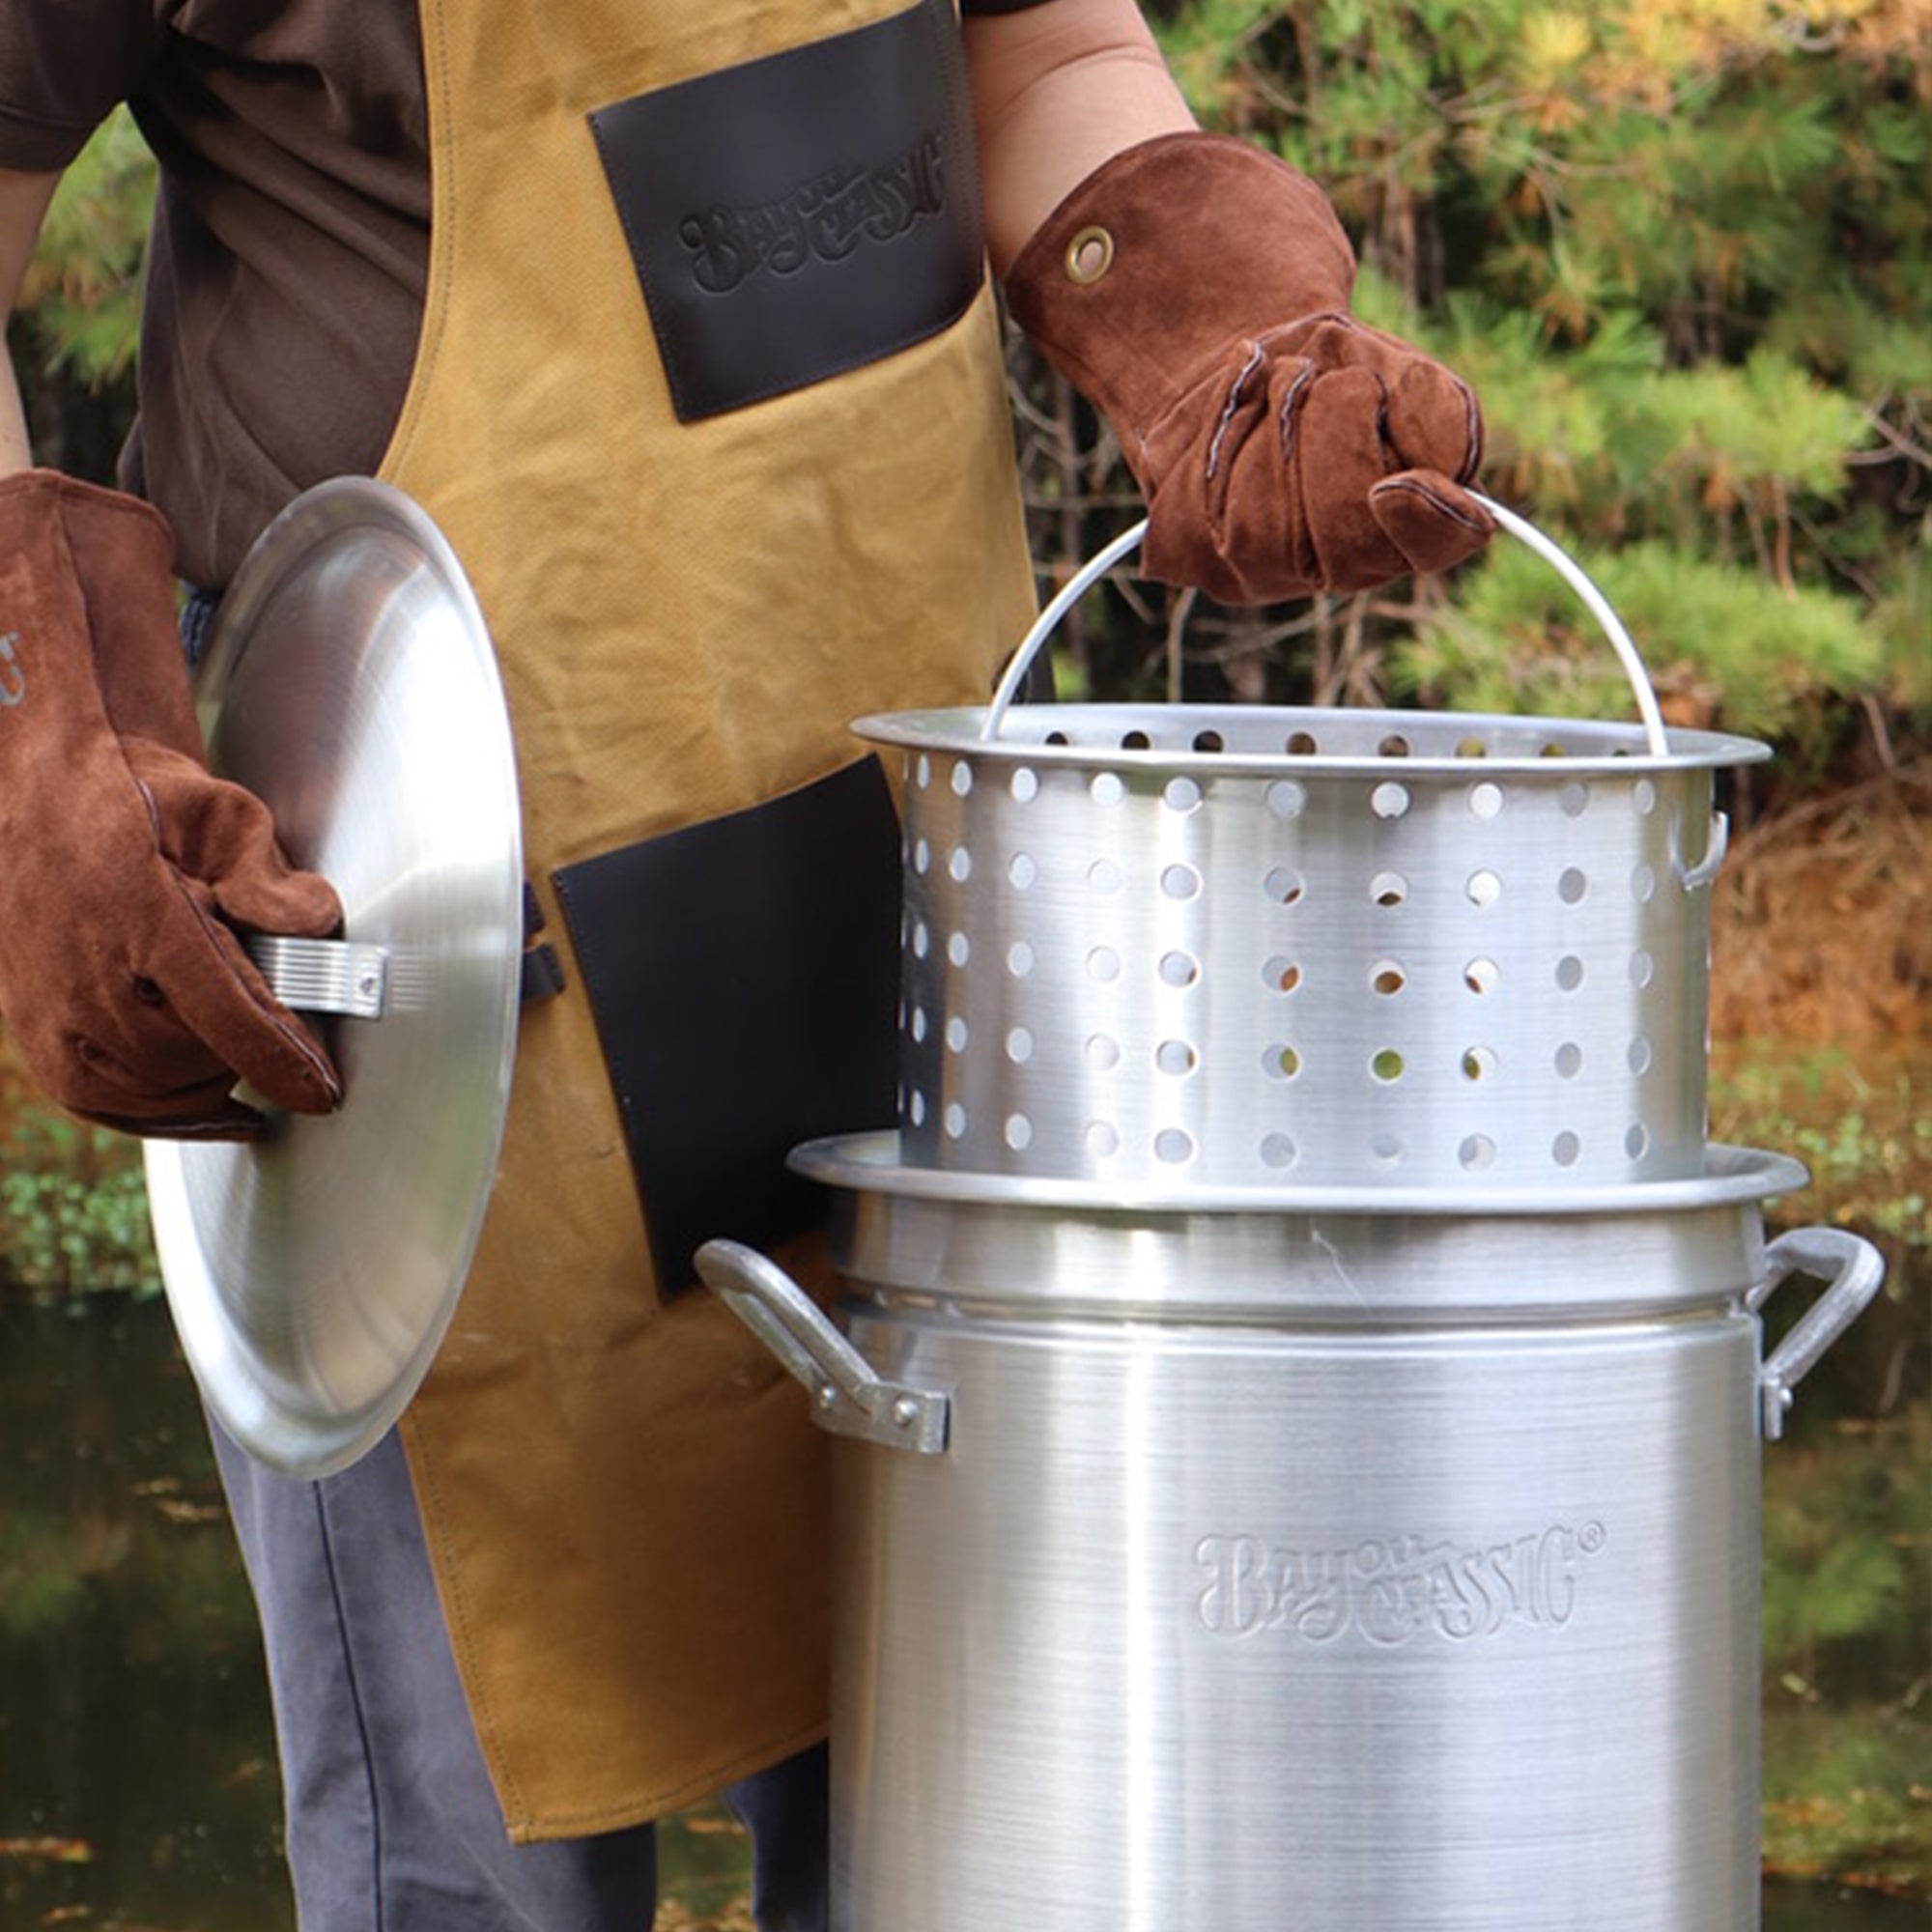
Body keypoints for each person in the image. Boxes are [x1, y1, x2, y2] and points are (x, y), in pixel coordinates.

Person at [0, 1, 1492, 1924]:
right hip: (418, 950)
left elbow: (1043, 49)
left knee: (966, 1834)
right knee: (477, 1871)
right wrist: (46, 736)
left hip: (921, 896)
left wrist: (1218, 329)